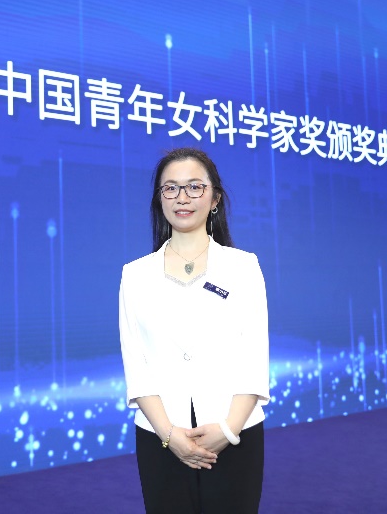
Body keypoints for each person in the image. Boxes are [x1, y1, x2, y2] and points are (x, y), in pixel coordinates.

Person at [118, 147, 270, 513]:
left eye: (194, 187)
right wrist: (170, 435)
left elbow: (254, 355)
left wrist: (229, 429)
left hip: (235, 431)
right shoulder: (135, 274)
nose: (182, 197)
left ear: (215, 198)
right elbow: (136, 362)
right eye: (170, 188)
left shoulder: (243, 267)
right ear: (159, 200)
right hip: (161, 436)